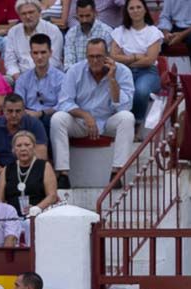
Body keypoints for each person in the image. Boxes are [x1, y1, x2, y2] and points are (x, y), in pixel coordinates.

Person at [52, 39, 135, 190]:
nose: (95, 60)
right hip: (82, 122)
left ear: (107, 56)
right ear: (86, 56)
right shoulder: (75, 71)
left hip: (108, 121)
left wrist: (112, 78)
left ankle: (116, 173)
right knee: (58, 119)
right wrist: (85, 116)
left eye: (99, 56)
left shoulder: (123, 72)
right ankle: (63, 174)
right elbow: (64, 102)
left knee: (127, 118)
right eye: (91, 56)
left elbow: (124, 106)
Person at [111, 0, 163, 121]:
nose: (135, 11)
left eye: (139, 7)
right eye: (132, 8)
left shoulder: (153, 32)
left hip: (148, 72)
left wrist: (125, 59)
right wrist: (135, 57)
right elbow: (113, 56)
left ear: (145, 9)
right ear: (127, 11)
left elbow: (149, 60)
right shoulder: (119, 31)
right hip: (124, 72)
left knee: (141, 90)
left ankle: (137, 123)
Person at [0, 129, 58, 224]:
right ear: (14, 149)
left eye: (27, 145)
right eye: (19, 146)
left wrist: (36, 209)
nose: (23, 149)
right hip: (12, 218)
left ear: (34, 147)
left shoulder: (44, 166)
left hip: (38, 216)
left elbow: (52, 196)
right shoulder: (7, 169)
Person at [0, 93, 49, 175]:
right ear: (3, 110)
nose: (14, 115)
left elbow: (41, 156)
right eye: (10, 111)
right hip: (1, 169)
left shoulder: (34, 124)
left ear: (24, 110)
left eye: (18, 111)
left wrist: (22, 171)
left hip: (27, 170)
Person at [16, 35, 67, 132]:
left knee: (50, 121)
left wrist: (40, 113)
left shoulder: (61, 78)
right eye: (35, 53)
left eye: (43, 52)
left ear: (50, 53)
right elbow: (19, 104)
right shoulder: (22, 79)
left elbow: (62, 105)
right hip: (28, 115)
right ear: (31, 54)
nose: (39, 57)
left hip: (50, 116)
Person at [5, 0, 65, 81]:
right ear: (19, 16)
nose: (28, 16)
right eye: (24, 13)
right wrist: (19, 79)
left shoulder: (53, 30)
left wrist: (33, 79)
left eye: (31, 12)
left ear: (39, 12)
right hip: (20, 76)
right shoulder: (13, 32)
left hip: (47, 76)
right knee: (4, 80)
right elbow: (10, 61)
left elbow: (54, 61)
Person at [65, 0, 116, 69]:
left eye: (88, 16)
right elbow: (69, 63)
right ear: (76, 15)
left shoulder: (107, 32)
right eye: (81, 16)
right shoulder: (71, 33)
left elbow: (109, 61)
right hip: (77, 77)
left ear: (95, 13)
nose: (84, 20)